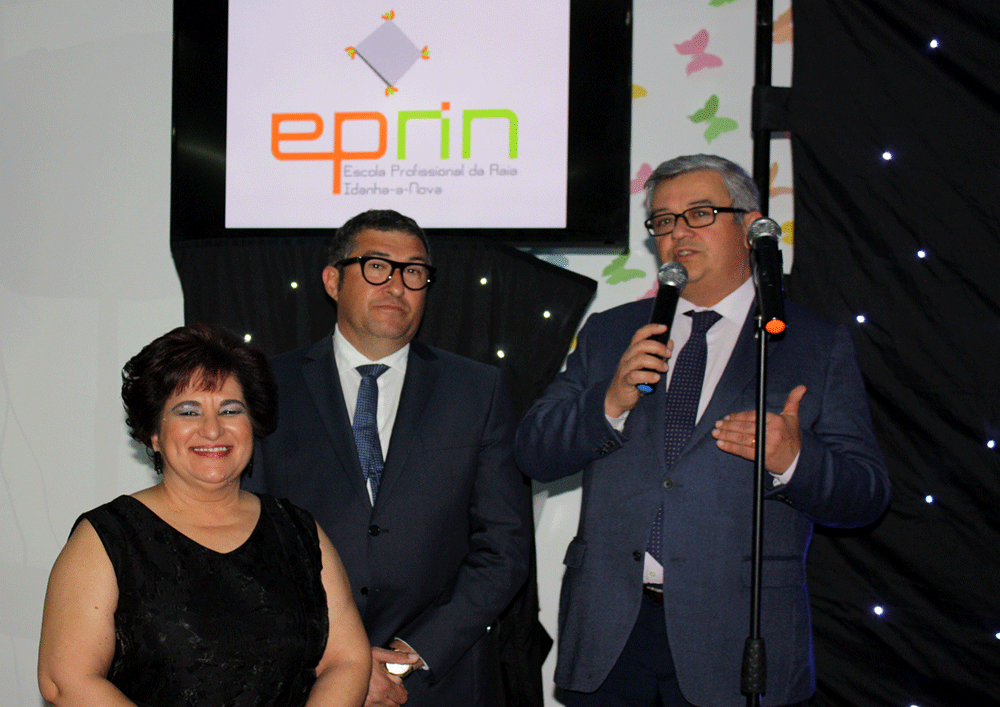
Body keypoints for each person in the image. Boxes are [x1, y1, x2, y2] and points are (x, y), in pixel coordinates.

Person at [515, 154, 891, 707]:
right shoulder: (612, 332)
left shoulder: (812, 343)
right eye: (664, 220)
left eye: (699, 213)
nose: (679, 232)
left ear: (751, 226)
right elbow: (533, 452)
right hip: (608, 637)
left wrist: (795, 459)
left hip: (739, 639)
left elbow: (866, 495)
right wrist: (609, 402)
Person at [243, 209, 533, 707]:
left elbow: (504, 546)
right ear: (333, 280)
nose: (397, 286)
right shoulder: (267, 386)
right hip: (307, 676)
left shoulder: (477, 390)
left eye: (414, 272)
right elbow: (247, 542)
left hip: (441, 677)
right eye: (377, 266)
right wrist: (336, 659)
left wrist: (410, 654)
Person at [38, 323, 372, 707]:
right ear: (154, 434)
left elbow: (347, 660)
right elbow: (65, 679)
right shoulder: (107, 538)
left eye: (230, 410)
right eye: (188, 411)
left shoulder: (298, 531)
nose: (212, 430)